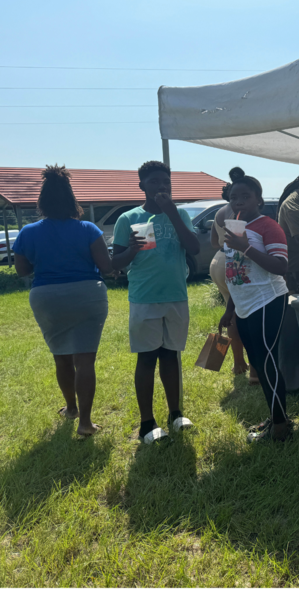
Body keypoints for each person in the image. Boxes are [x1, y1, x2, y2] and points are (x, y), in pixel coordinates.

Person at [12, 165, 113, 437]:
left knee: (62, 359)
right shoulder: (88, 228)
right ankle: (86, 423)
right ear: (72, 199)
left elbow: (22, 270)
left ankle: (71, 409)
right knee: (85, 361)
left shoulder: (28, 232)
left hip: (47, 297)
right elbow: (106, 266)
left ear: (42, 201)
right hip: (87, 294)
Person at [111, 160, 201, 444]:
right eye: (154, 183)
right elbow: (117, 263)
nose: (162, 187)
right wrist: (132, 250)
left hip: (176, 294)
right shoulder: (129, 218)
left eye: (166, 182)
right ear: (142, 186)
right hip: (145, 297)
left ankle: (175, 414)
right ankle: (146, 423)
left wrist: (172, 213)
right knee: (147, 357)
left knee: (171, 355)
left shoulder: (181, 214)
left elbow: (195, 248)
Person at [216, 169, 293, 443]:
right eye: (234, 197)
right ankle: (276, 416)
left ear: (258, 200)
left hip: (267, 300)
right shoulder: (232, 225)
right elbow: (234, 272)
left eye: (245, 196)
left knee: (267, 362)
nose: (238, 202)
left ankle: (281, 426)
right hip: (245, 305)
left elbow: (281, 266)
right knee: (259, 366)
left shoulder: (268, 226)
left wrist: (245, 246)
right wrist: (230, 310)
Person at [209, 168, 257, 384]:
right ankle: (251, 366)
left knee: (232, 312)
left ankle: (238, 362)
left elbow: (213, 241)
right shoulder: (240, 212)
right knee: (245, 313)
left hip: (218, 260)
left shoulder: (220, 212)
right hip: (235, 262)